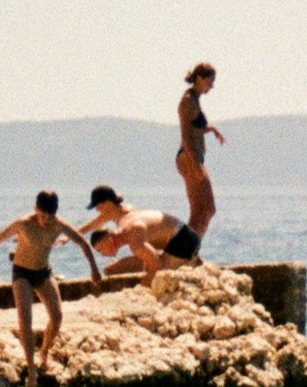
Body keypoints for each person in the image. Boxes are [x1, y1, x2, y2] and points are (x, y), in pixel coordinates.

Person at [0, 192, 101, 376]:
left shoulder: (59, 225)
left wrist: (94, 269)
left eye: (50, 216)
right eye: (42, 215)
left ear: (55, 214)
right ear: (35, 209)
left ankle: (44, 352)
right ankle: (31, 366)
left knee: (57, 317)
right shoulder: (23, 223)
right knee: (25, 320)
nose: (46, 220)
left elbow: (83, 243)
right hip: (22, 273)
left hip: (43, 272)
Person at [75, 184, 209, 279]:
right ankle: (194, 261)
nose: (97, 211)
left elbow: (159, 269)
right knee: (115, 268)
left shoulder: (131, 231)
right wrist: (70, 236)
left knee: (147, 267)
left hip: (182, 242)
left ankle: (190, 260)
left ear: (108, 203)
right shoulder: (120, 219)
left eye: (100, 250)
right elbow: (93, 224)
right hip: (183, 236)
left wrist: (143, 286)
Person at [176, 64, 223, 229]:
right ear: (200, 78)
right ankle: (186, 252)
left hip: (193, 157)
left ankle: (190, 252)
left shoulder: (194, 99)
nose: (212, 86)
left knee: (202, 211)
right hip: (189, 157)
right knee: (206, 209)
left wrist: (210, 129)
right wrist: (195, 165)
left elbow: (194, 128)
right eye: (210, 82)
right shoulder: (188, 101)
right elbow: (186, 135)